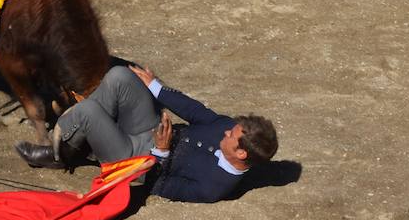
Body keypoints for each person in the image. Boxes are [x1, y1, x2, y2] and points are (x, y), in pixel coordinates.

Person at [15, 64, 278, 203]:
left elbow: (159, 187)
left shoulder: (213, 188)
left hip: (137, 162)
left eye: (232, 134)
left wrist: (161, 152)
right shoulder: (229, 129)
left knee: (88, 111)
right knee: (120, 77)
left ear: (241, 152)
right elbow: (196, 111)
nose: (227, 129)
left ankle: (61, 154)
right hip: (150, 129)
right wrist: (156, 87)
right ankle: (88, 138)